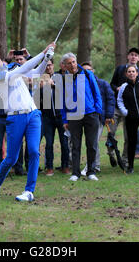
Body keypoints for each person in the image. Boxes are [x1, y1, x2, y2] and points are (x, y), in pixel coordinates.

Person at [0, 43, 54, 202]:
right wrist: (43, 53)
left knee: (34, 151)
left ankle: (29, 191)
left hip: (33, 114)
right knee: (11, 158)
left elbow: (36, 72)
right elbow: (23, 69)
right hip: (15, 118)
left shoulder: (12, 66)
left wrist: (46, 59)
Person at [61, 53, 103, 182]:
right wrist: (64, 119)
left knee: (92, 144)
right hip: (73, 115)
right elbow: (62, 100)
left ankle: (91, 171)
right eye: (69, 63)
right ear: (64, 65)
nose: (72, 65)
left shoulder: (87, 74)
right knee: (75, 145)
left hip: (90, 113)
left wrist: (97, 111)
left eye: (74, 62)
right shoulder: (64, 79)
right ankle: (75, 173)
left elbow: (97, 93)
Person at [109, 48, 139, 166]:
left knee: (129, 137)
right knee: (111, 133)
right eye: (131, 55)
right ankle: (111, 152)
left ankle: (125, 159)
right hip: (117, 108)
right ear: (128, 56)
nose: (133, 57)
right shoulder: (119, 69)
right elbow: (111, 84)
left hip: (130, 110)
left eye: (136, 55)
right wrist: (116, 88)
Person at [80, 62, 115, 175]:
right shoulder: (79, 84)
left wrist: (108, 115)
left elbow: (110, 99)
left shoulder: (102, 83)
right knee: (90, 142)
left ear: (93, 70)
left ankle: (92, 166)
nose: (87, 72)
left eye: (89, 70)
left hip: (99, 118)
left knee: (93, 141)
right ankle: (96, 165)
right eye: (85, 70)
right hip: (83, 118)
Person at [39, 59, 70, 176]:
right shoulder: (40, 79)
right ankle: (50, 168)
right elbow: (36, 97)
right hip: (47, 117)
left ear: (53, 65)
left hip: (61, 116)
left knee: (64, 143)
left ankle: (65, 166)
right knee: (49, 143)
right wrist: (43, 86)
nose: (48, 67)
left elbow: (67, 92)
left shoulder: (60, 77)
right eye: (45, 66)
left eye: (50, 65)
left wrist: (54, 85)